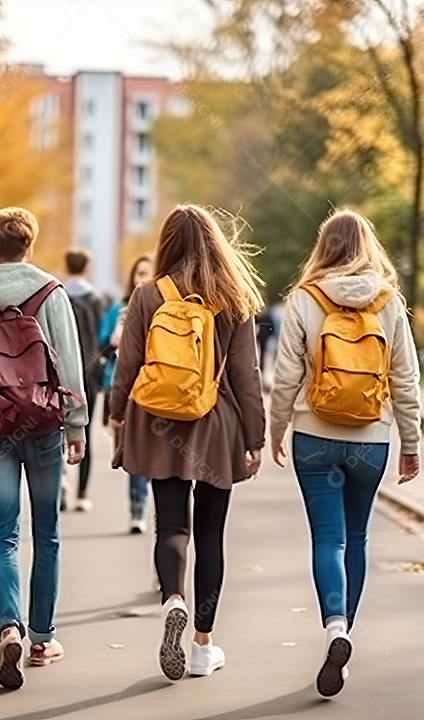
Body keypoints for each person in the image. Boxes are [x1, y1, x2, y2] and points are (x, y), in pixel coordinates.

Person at [268, 209, 422, 698]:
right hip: (371, 440)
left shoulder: (304, 299)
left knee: (327, 540)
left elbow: (286, 375)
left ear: (324, 247)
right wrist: (411, 444)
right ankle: (346, 637)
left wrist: (276, 430)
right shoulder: (389, 302)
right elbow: (405, 380)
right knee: (356, 538)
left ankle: (334, 627)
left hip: (314, 436)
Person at [110, 205, 266, 681]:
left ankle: (172, 600)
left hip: (163, 423)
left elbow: (129, 363)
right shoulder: (233, 298)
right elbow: (246, 375)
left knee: (171, 526)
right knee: (212, 535)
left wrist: (117, 414)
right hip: (217, 427)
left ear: (167, 243)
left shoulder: (147, 295)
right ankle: (202, 645)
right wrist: (255, 437)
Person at [0, 207, 88, 690]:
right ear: (29, 245)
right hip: (46, 425)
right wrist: (77, 427)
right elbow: (69, 363)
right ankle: (41, 638)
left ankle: (8, 627)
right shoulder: (52, 293)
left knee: (3, 535)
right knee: (47, 533)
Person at [99, 254, 154, 533]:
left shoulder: (165, 307)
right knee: (129, 450)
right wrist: (114, 342)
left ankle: (145, 502)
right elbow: (102, 345)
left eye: (148, 272)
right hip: (119, 385)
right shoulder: (118, 308)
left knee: (147, 449)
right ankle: (137, 506)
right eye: (139, 273)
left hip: (153, 390)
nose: (142, 278)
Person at [61, 248, 107, 512]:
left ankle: (61, 482)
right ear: (87, 267)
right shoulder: (96, 299)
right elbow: (102, 336)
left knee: (57, 430)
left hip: (60, 376)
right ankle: (82, 493)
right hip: (89, 374)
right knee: (84, 431)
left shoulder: (58, 295)